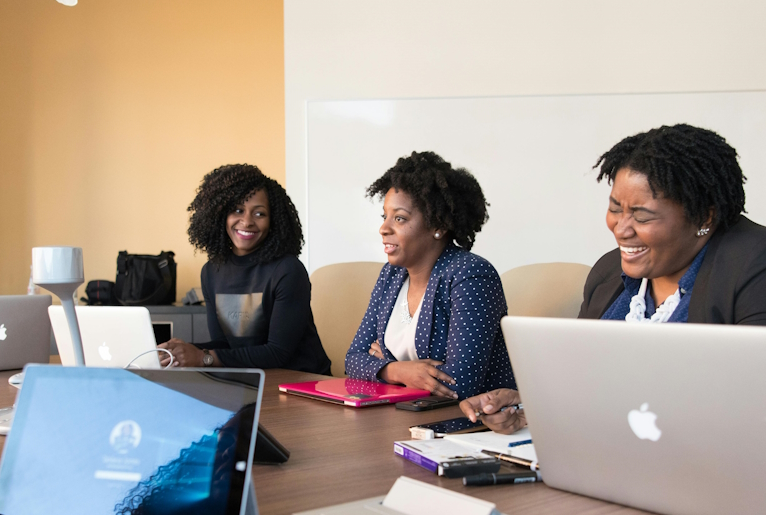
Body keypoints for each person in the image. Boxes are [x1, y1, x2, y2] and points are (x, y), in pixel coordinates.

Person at [461, 124, 766, 463]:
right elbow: (588, 384)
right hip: (630, 467)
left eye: (642, 215)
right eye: (615, 208)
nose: (621, 228)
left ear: (704, 217)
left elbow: (765, 412)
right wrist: (532, 407)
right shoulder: (608, 274)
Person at [345, 151, 516, 400]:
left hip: (468, 425)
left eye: (400, 218)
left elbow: (457, 384)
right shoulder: (391, 275)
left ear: (438, 226)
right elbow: (353, 360)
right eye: (385, 216)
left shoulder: (470, 276)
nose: (383, 228)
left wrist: (384, 363)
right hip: (402, 416)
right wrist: (399, 370)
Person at [160, 164, 331, 373]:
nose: (247, 221)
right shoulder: (211, 272)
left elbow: (278, 352)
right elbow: (225, 346)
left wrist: (202, 357)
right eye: (238, 210)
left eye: (259, 214)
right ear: (220, 215)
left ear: (273, 220)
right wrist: (179, 352)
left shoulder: (288, 270)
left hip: (301, 383)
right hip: (252, 380)